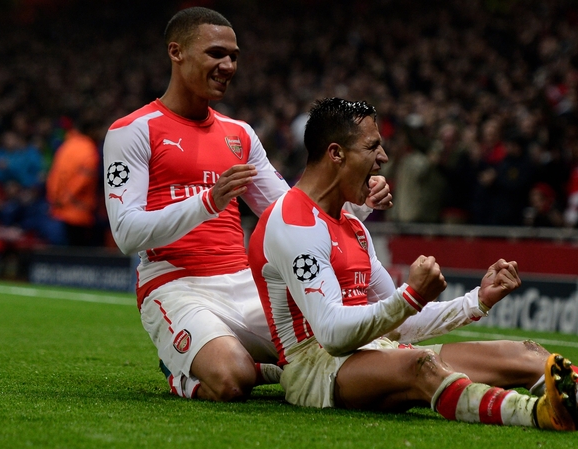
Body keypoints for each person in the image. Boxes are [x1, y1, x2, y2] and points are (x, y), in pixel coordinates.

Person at [249, 98, 578, 431]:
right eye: (372, 147)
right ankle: (538, 414)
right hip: (318, 372)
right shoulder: (293, 221)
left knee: (520, 352)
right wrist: (408, 295)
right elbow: (332, 333)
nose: (384, 157)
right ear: (335, 153)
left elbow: (402, 322)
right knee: (421, 364)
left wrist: (474, 301)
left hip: (370, 353)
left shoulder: (351, 225)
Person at [103, 8, 392, 402]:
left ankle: (254, 364)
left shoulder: (239, 135)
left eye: (234, 56)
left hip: (245, 282)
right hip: (176, 285)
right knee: (230, 381)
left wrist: (357, 205)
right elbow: (126, 234)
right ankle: (185, 369)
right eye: (216, 54)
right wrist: (208, 201)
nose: (228, 65)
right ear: (177, 52)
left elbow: (289, 209)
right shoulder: (132, 131)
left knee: (341, 348)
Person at [46, 119, 101, 246]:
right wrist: (66, 199)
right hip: (79, 212)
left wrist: (55, 199)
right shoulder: (89, 150)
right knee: (79, 255)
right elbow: (83, 181)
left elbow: (54, 175)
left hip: (59, 209)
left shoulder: (66, 146)